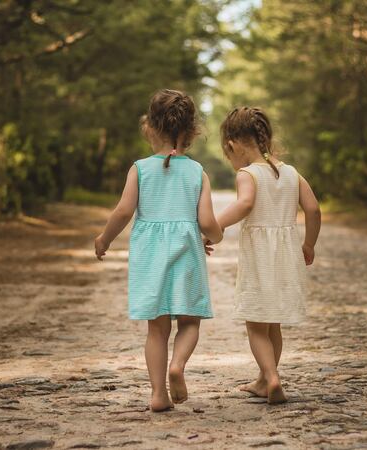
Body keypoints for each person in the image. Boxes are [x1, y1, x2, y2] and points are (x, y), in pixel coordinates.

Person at [94, 89, 223, 411]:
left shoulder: (139, 169)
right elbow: (208, 222)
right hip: (187, 254)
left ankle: (158, 394)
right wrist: (214, 237)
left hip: (150, 259)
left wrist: (105, 239)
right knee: (190, 322)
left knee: (156, 330)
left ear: (150, 127)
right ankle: (177, 366)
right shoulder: (197, 172)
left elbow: (123, 211)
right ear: (191, 131)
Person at [216, 106, 321, 404]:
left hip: (260, 259)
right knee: (273, 322)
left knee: (255, 324)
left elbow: (245, 204)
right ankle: (265, 379)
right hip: (287, 257)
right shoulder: (291, 173)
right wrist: (309, 244)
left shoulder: (248, 174)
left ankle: (272, 378)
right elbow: (313, 209)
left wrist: (215, 225)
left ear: (233, 145)